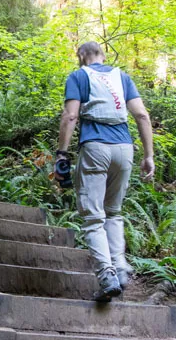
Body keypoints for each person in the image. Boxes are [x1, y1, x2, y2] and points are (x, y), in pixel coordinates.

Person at [55, 41, 155, 302]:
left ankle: (107, 275)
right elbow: (142, 115)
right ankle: (120, 267)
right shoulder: (122, 77)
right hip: (124, 149)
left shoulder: (78, 76)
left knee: (93, 217)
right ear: (102, 54)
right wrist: (148, 155)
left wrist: (62, 153)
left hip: (96, 147)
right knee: (113, 212)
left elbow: (70, 116)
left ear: (81, 56)